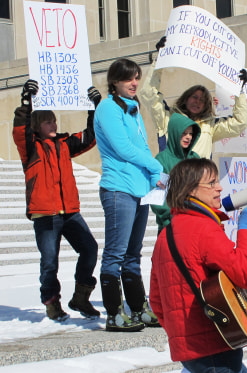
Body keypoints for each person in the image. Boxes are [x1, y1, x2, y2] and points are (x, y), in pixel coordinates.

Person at [150, 158, 247, 372]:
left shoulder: (165, 235)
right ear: (190, 190)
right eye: (211, 183)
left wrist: (183, 334)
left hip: (192, 350)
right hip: (215, 345)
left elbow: (157, 301)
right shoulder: (203, 228)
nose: (219, 187)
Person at [13, 80, 101, 321]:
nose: (53, 124)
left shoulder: (64, 144)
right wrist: (25, 102)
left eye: (54, 120)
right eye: (48, 121)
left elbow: (90, 137)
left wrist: (94, 107)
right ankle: (52, 302)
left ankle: (81, 296)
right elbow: (20, 130)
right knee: (50, 262)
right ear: (37, 126)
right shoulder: (30, 148)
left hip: (70, 212)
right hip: (45, 214)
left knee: (90, 249)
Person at [94, 58, 164, 332]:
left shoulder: (133, 108)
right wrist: (155, 165)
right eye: (128, 79)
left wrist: (153, 177)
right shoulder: (108, 108)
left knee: (133, 254)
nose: (134, 83)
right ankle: (113, 314)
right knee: (115, 253)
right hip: (118, 188)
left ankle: (137, 308)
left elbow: (143, 147)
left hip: (138, 190)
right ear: (114, 82)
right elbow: (123, 148)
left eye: (136, 77)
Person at [138, 36, 247, 158]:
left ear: (206, 105)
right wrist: (159, 60)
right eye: (194, 97)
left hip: (201, 176)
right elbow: (148, 94)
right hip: (173, 174)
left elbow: (240, 123)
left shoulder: (210, 125)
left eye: (202, 100)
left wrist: (239, 91)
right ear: (186, 98)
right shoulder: (167, 117)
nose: (197, 102)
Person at [151, 113, 201, 233]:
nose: (188, 137)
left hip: (195, 224)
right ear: (175, 133)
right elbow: (157, 197)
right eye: (184, 133)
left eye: (190, 134)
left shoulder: (196, 158)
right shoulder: (162, 159)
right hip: (170, 225)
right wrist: (169, 218)